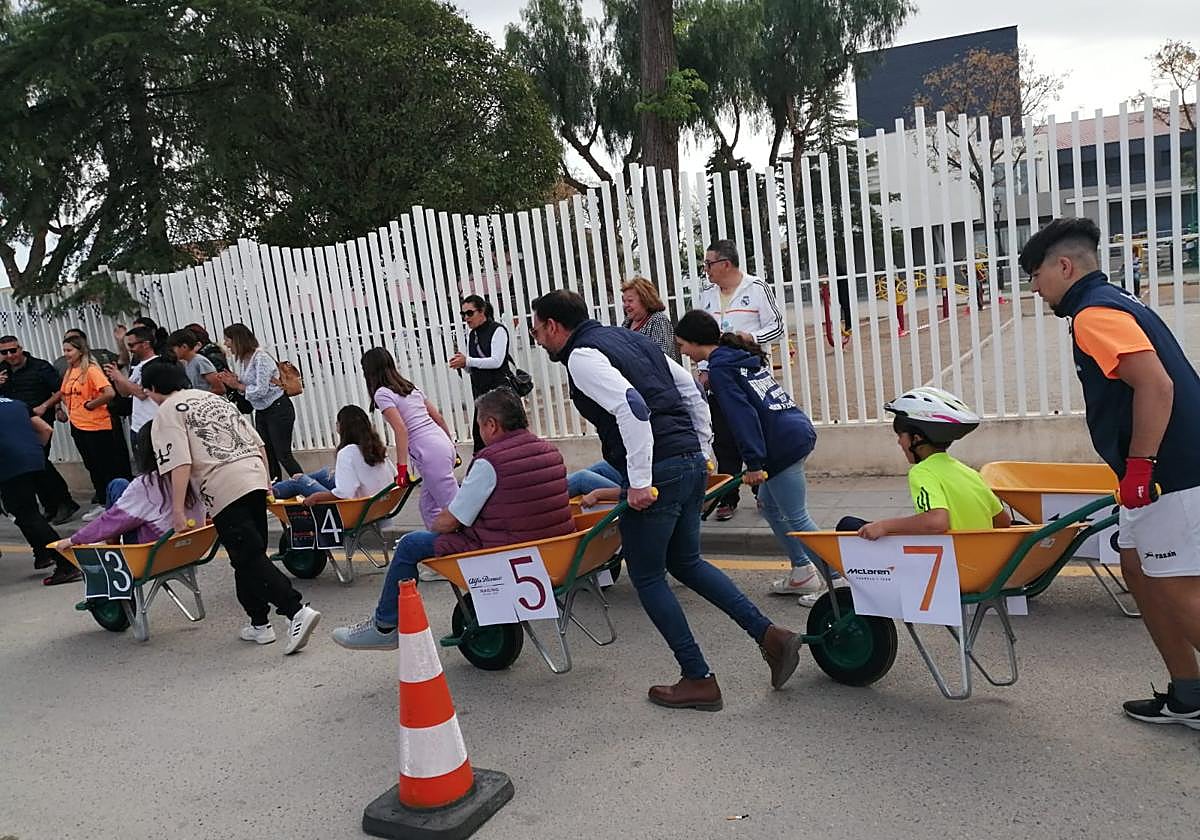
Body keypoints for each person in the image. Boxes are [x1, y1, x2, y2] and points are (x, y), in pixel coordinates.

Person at [530, 289, 803, 711]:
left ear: (553, 325)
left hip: (658, 472)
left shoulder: (582, 357)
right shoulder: (633, 340)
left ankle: (698, 678)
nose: (536, 339)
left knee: (649, 576)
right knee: (686, 562)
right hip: (686, 462)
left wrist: (638, 481)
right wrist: (701, 448)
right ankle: (770, 635)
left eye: (536, 329)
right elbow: (690, 389)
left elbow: (632, 406)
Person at [1020, 217, 1200, 729]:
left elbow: (1156, 386)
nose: (1035, 288)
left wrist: (1141, 466)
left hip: (1174, 473)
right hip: (1162, 471)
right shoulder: (1118, 302)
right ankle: (1189, 693)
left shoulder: (1092, 313)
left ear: (1063, 266)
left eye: (1036, 274)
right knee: (1137, 566)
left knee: (1181, 589)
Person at [331, 389, 575, 650]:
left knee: (410, 544)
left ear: (491, 425)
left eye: (479, 424)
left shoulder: (490, 462)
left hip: (503, 549)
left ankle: (385, 626)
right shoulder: (550, 451)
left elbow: (449, 521)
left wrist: (439, 526)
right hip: (553, 554)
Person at [142, 362, 320, 654]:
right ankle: (259, 623)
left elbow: (179, 462)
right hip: (253, 474)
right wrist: (265, 480)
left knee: (247, 555)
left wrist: (177, 510)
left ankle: (295, 610)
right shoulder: (214, 400)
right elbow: (258, 442)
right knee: (248, 555)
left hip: (222, 484)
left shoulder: (167, 412)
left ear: (151, 390)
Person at [674, 310, 828, 603]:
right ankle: (802, 573)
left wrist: (754, 463)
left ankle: (838, 581)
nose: (682, 352)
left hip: (782, 443)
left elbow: (741, 416)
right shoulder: (736, 355)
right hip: (791, 431)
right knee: (770, 506)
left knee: (797, 516)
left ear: (695, 341)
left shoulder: (721, 368)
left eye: (682, 345)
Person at [839, 387, 1011, 539]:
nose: (899, 443)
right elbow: (1003, 521)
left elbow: (936, 522)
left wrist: (884, 526)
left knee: (848, 525)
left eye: (901, 436)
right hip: (981, 562)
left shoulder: (922, 472)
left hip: (949, 562)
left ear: (916, 439)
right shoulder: (970, 472)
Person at [697, 239, 784, 521]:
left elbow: (778, 326)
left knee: (756, 434)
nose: (706, 269)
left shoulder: (756, 288)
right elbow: (701, 333)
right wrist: (703, 367)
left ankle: (764, 493)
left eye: (708, 264)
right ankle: (728, 497)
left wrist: (752, 338)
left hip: (750, 379)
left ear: (725, 263)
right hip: (719, 378)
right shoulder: (706, 296)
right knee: (724, 440)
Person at [52, 421, 205, 549]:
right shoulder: (194, 474)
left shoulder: (147, 484)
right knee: (124, 490)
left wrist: (74, 540)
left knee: (118, 486)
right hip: (190, 547)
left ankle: (111, 540)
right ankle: (110, 538)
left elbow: (113, 520)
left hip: (154, 549)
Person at [361, 347, 458, 529]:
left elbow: (401, 430)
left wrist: (402, 469)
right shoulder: (410, 388)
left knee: (455, 508)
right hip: (443, 444)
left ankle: (470, 546)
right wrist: (452, 445)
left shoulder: (382, 393)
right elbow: (438, 417)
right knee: (428, 508)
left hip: (428, 452)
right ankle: (438, 546)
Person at [0, 396, 81, 585]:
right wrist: (33, 454)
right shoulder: (17, 403)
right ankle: (43, 553)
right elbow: (46, 429)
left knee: (27, 515)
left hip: (9, 465)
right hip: (35, 460)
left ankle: (66, 564)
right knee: (26, 512)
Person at [0, 334, 79, 524]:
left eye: (13, 350)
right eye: (4, 352)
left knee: (40, 462)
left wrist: (46, 405)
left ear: (21, 348)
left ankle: (64, 502)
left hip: (39, 422)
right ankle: (50, 506)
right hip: (16, 425)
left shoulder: (40, 367)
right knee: (34, 467)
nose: (10, 355)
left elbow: (61, 389)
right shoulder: (3, 372)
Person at [217, 323, 302, 482]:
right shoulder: (243, 360)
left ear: (238, 340)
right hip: (262, 411)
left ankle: (308, 488)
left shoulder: (261, 358)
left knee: (283, 454)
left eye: (228, 340)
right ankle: (278, 491)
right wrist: (235, 381)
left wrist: (238, 386)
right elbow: (249, 386)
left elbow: (261, 390)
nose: (226, 344)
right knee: (268, 455)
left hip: (278, 408)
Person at [59, 334, 130, 521]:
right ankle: (103, 502)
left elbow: (109, 392)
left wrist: (92, 404)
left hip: (96, 425)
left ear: (80, 351)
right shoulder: (70, 371)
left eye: (69, 350)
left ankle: (116, 503)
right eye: (64, 350)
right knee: (93, 466)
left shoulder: (91, 370)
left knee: (105, 465)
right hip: (78, 424)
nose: (66, 354)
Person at [271, 405, 395, 503]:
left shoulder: (347, 453)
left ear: (343, 426)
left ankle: (270, 493)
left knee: (300, 480)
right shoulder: (376, 448)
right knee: (325, 474)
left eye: (338, 422)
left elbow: (345, 494)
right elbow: (394, 475)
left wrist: (317, 497)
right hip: (378, 503)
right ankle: (276, 488)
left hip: (354, 508)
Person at [449, 294, 517, 453]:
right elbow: (472, 366)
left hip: (500, 394)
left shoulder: (498, 330)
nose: (466, 318)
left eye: (470, 313)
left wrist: (468, 361)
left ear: (482, 311)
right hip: (481, 396)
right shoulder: (472, 335)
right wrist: (462, 364)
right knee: (480, 438)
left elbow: (496, 361)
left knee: (505, 437)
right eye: (463, 314)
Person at [103, 325, 160, 452]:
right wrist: (115, 377)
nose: (130, 349)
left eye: (132, 345)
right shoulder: (138, 366)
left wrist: (120, 378)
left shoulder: (156, 365)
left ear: (146, 344)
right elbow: (125, 393)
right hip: (137, 426)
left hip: (152, 424)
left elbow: (141, 393)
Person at [621, 277, 680, 362]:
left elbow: (661, 356)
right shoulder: (626, 323)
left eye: (630, 301)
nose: (626, 305)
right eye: (624, 301)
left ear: (645, 300)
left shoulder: (658, 320)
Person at [168, 328, 226, 394]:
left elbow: (220, 389)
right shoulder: (187, 363)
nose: (173, 352)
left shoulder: (200, 362)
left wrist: (198, 395)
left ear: (184, 347)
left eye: (173, 349)